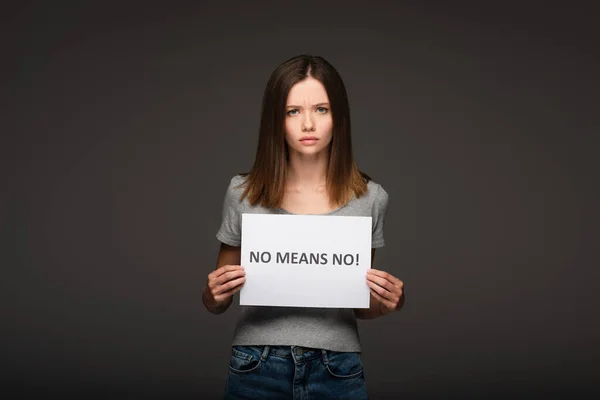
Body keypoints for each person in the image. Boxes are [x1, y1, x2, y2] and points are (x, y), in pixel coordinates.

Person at [202, 54, 405, 399]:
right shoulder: (243, 193)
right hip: (256, 364)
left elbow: (358, 303)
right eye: (293, 111)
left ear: (338, 117)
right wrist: (213, 292)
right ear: (275, 121)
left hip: (337, 367)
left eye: (321, 110)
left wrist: (390, 302)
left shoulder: (370, 198)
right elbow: (216, 302)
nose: (308, 124)